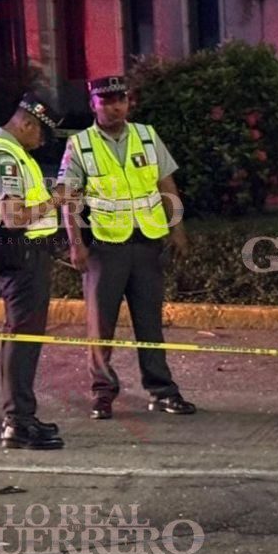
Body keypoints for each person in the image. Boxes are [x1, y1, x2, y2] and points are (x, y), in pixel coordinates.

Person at [58, 75, 196, 420]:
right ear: (93, 105)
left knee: (150, 323)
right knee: (100, 325)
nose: (115, 106)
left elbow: (166, 184)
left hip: (147, 242)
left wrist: (177, 227)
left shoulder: (146, 136)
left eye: (120, 99)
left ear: (128, 102)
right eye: (106, 101)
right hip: (105, 247)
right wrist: (75, 245)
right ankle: (103, 393)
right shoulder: (81, 145)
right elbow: (69, 200)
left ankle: (162, 390)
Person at [0, 93, 70, 450]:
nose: (43, 142)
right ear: (27, 124)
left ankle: (23, 416)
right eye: (42, 135)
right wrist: (56, 200)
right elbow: (14, 217)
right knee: (22, 337)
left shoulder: (13, 153)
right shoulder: (6, 157)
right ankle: (17, 422)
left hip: (26, 255)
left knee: (24, 336)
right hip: (21, 255)